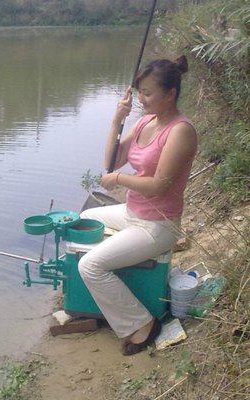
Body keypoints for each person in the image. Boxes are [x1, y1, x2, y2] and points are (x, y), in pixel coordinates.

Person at [79, 56, 198, 356]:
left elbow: (160, 184)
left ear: (170, 94)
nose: (141, 99)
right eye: (139, 91)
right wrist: (117, 121)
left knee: (90, 265)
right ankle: (119, 279)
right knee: (85, 218)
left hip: (158, 224)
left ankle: (143, 323)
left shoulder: (180, 131)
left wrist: (121, 179)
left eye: (147, 92)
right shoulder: (145, 122)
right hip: (133, 214)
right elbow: (111, 162)